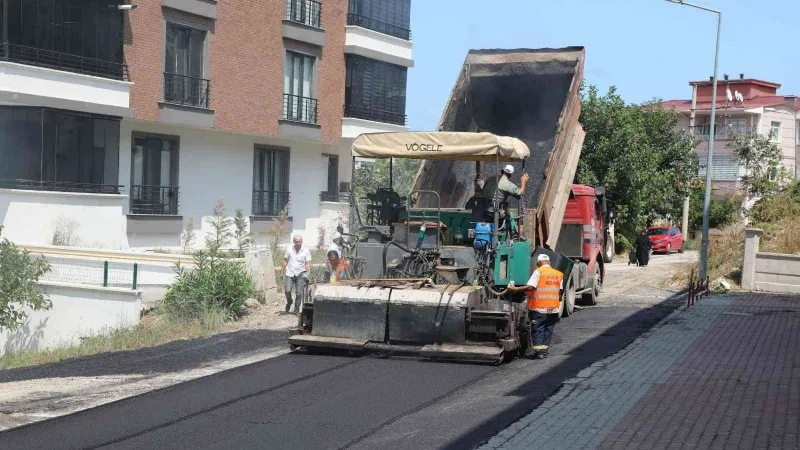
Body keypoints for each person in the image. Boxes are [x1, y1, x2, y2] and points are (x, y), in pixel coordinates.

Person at [507, 254, 564, 359]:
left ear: (538, 263)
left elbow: (530, 287)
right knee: (548, 330)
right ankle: (545, 351)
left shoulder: (538, 272)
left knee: (538, 329)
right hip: (553, 309)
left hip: (539, 308)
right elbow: (560, 292)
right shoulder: (558, 274)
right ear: (549, 262)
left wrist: (515, 289)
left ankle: (539, 353)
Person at [280, 235, 311, 314]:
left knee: (299, 293)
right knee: (287, 290)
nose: (298, 243)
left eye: (299, 241)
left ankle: (296, 310)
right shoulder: (289, 249)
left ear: (302, 241)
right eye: (296, 242)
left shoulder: (306, 250)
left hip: (301, 273)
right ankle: (289, 302)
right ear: (293, 242)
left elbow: (307, 263)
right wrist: (281, 271)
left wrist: (308, 273)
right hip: (290, 273)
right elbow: (285, 261)